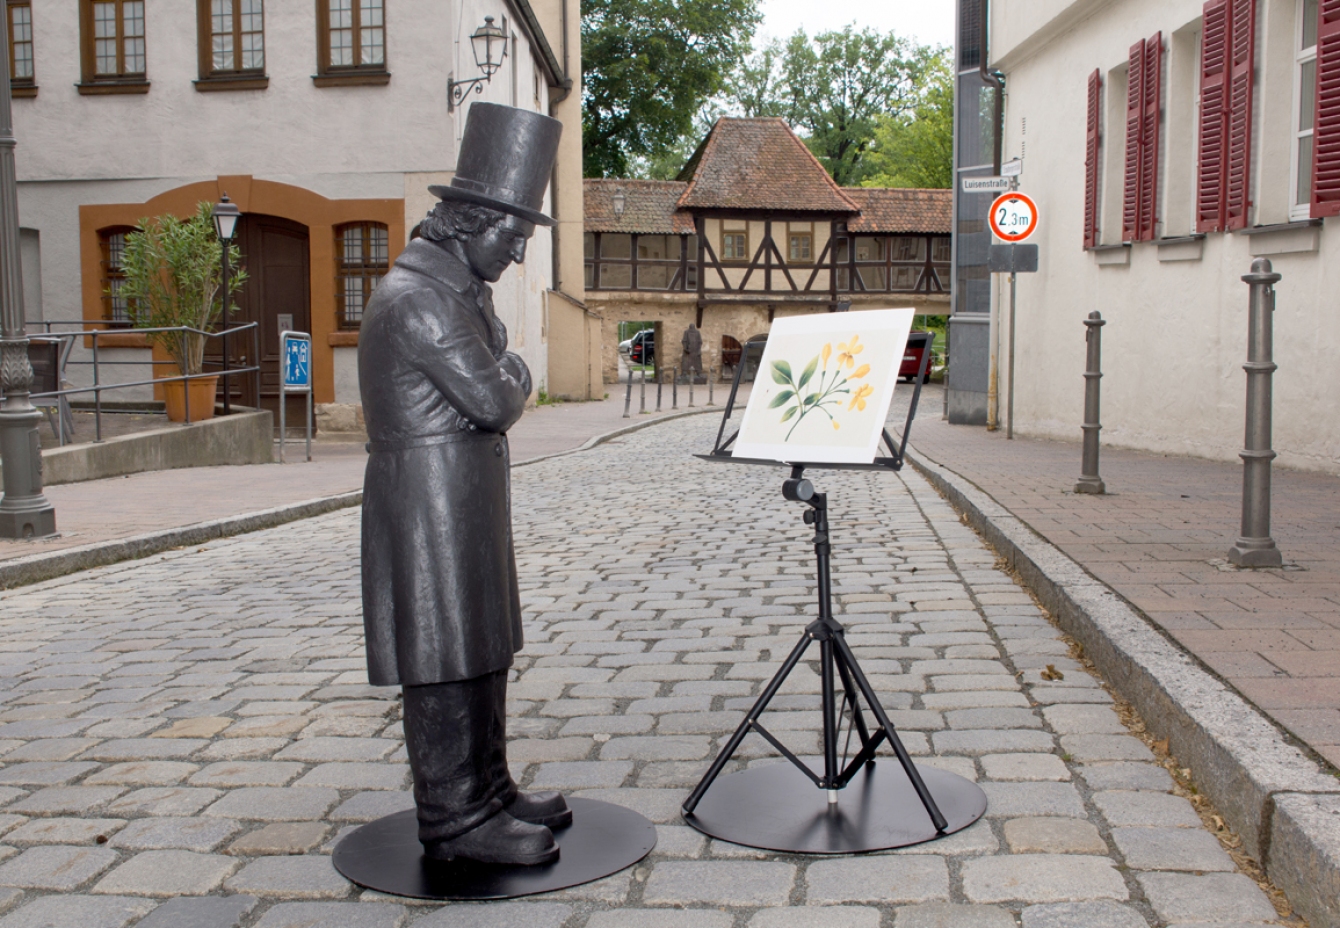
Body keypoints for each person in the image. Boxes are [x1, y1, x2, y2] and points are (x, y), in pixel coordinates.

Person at [357, 104, 566, 866]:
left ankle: (490, 789)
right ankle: (453, 816)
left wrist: (502, 365)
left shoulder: (454, 293)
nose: (516, 250)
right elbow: (497, 398)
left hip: (461, 498)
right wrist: (513, 371)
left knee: (484, 641)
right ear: (467, 222)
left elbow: (493, 381)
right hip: (428, 506)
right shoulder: (421, 301)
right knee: (443, 651)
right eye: (509, 234)